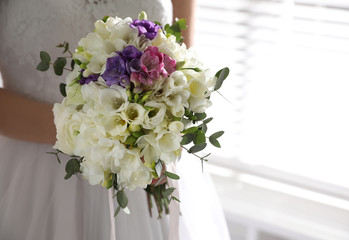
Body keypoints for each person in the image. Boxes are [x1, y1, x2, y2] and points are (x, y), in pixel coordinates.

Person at [0, 0, 230, 239]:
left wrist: (164, 110)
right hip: (35, 176)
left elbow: (181, 64)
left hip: (147, 163)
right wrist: (97, 132)